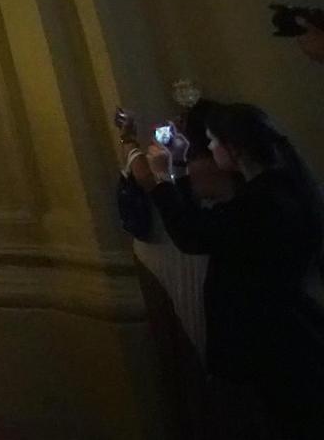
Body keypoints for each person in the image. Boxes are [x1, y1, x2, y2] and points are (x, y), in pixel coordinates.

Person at [132, 102, 324, 435]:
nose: (207, 148)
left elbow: (192, 235)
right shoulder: (285, 187)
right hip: (293, 331)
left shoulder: (260, 203)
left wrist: (158, 182)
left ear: (233, 148)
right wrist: (177, 164)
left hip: (264, 344)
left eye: (212, 141)